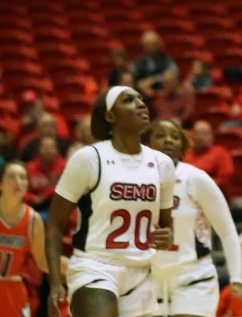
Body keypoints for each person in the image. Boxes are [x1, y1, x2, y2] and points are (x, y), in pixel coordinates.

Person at [46, 86, 176, 317]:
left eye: (141, 99)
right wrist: (55, 283)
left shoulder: (162, 164)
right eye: (128, 100)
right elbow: (55, 223)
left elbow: (167, 226)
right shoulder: (89, 158)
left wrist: (165, 237)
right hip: (96, 267)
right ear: (110, 116)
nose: (140, 104)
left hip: (141, 274)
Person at [147, 119, 242, 317]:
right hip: (148, 280)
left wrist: (237, 279)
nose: (168, 141)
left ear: (182, 144)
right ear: (147, 143)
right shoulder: (135, 182)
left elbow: (227, 231)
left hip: (193, 277)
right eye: (160, 136)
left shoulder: (195, 178)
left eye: (174, 137)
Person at [0, 160, 48, 316]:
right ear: (0, 184)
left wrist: (68, 266)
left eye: (23, 177)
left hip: (12, 292)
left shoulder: (33, 220)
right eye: (12, 177)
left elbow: (42, 262)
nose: (18, 182)